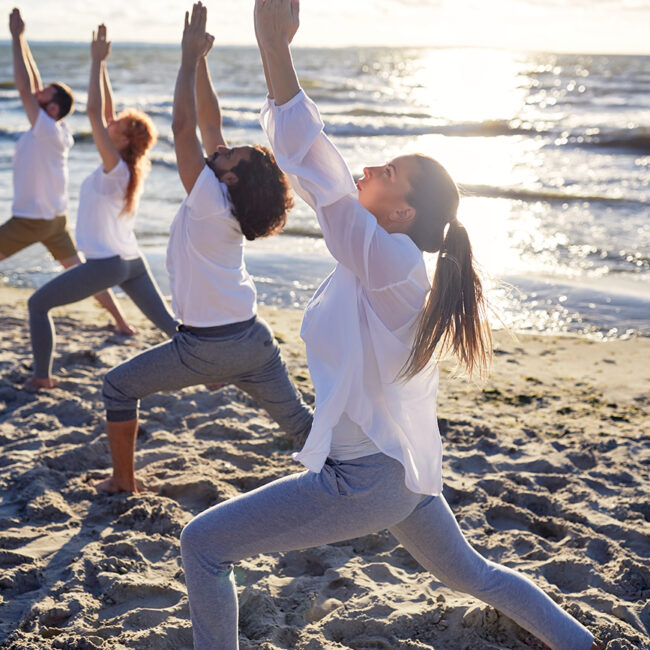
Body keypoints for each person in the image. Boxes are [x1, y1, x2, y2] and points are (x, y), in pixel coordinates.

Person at [178, 2, 603, 650]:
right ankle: (584, 643)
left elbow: (316, 164)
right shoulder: (379, 254)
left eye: (390, 172)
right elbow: (316, 173)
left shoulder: (392, 260)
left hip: (364, 480)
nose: (371, 167)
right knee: (477, 575)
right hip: (402, 475)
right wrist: (273, 53)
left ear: (402, 211)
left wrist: (275, 48)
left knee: (202, 544)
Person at [97, 3, 312, 495]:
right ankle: (364, 468)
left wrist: (186, 58)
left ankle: (122, 482)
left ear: (231, 176)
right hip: (255, 344)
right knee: (302, 426)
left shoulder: (210, 198)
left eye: (228, 154)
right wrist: (203, 61)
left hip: (205, 349)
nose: (219, 148)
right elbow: (209, 125)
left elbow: (182, 128)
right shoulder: (228, 199)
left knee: (117, 387)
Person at [26, 24, 178, 390]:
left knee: (37, 305)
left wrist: (94, 63)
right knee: (171, 327)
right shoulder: (131, 165)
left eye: (119, 124)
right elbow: (106, 112)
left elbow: (94, 112)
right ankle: (216, 371)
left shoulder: (115, 168)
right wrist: (105, 66)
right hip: (131, 261)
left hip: (108, 264)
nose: (111, 122)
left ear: (124, 140)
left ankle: (43, 377)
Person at [2, 8, 136, 337]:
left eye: (45, 93)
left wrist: (16, 38)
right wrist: (24, 39)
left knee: (82, 274)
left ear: (51, 108)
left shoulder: (46, 129)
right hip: (55, 221)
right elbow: (32, 85)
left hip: (30, 220)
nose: (38, 91)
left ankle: (122, 322)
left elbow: (23, 87)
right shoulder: (55, 130)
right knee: (84, 275)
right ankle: (122, 324)